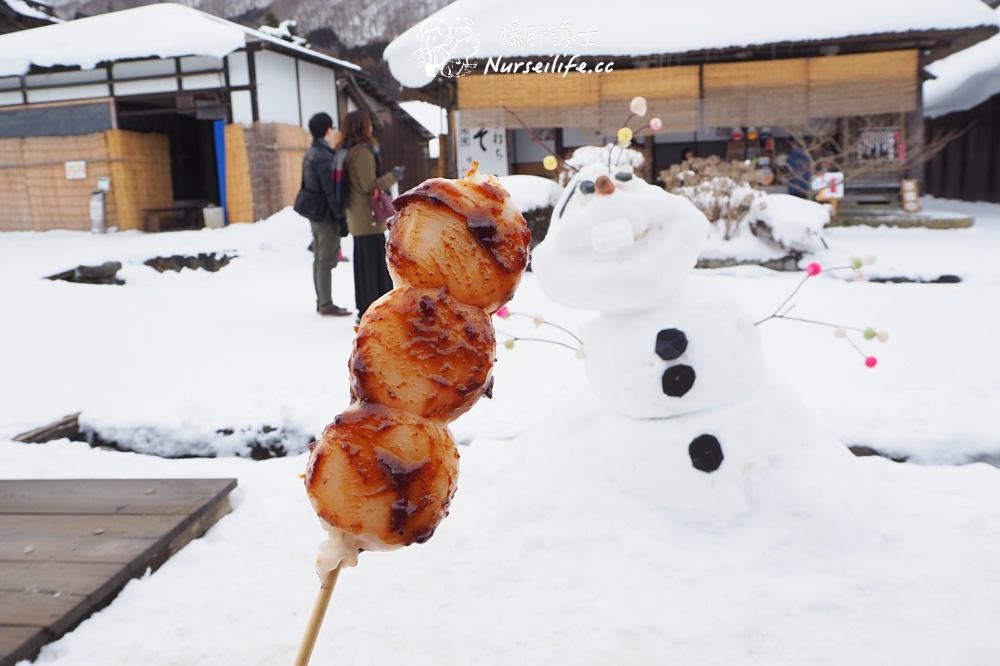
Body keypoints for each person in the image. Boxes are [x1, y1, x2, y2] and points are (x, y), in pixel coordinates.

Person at [335, 110, 402, 323]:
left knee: (365, 265)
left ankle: (367, 309)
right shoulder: (362, 152)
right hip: (367, 218)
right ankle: (374, 310)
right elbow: (369, 185)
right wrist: (393, 176)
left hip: (359, 216)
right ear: (363, 127)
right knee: (373, 266)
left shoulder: (347, 151)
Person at [299, 112, 351, 316]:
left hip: (315, 212)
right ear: (328, 130)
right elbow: (331, 191)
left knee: (320, 258)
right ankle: (326, 303)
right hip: (325, 214)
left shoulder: (312, 151)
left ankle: (322, 300)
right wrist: (341, 217)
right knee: (325, 259)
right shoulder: (322, 155)